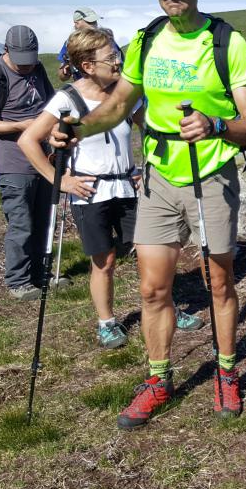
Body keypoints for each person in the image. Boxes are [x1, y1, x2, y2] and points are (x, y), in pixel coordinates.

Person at [56, 0, 246, 429]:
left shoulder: (226, 42)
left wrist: (215, 124)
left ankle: (227, 372)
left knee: (218, 283)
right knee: (152, 289)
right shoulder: (146, 40)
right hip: (158, 176)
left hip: (210, 172)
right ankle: (158, 378)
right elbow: (118, 106)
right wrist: (78, 128)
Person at [19, 27, 149, 349]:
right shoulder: (68, 98)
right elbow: (28, 140)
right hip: (91, 191)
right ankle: (106, 323)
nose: (118, 62)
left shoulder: (123, 94)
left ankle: (164, 306)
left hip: (127, 186)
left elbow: (151, 127)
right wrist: (60, 180)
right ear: (88, 65)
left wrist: (146, 170)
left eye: (117, 54)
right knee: (103, 261)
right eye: (111, 57)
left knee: (149, 253)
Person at [0, 25, 55, 301]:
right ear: (7, 51)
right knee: (21, 222)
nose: (26, 66)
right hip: (12, 161)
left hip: (43, 158)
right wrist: (22, 125)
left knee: (44, 219)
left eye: (30, 59)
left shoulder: (38, 69)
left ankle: (42, 274)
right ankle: (18, 281)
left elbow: (50, 102)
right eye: (21, 61)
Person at [57, 8, 100, 81]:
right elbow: (62, 76)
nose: (94, 24)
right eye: (90, 22)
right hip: (82, 89)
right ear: (77, 23)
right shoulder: (70, 43)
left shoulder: (106, 41)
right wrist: (66, 72)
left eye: (95, 21)